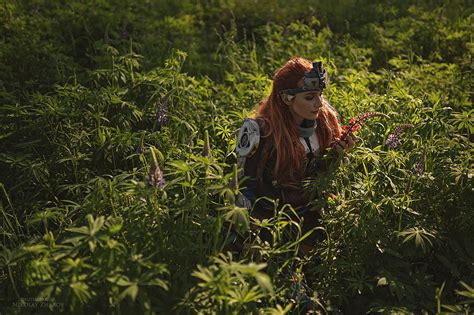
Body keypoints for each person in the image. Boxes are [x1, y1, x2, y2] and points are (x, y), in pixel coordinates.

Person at [233, 57, 356, 254]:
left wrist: (339, 156)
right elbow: (242, 184)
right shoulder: (261, 130)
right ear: (286, 98)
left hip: (311, 211)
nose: (318, 103)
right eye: (309, 97)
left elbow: (323, 177)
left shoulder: (325, 123)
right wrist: (254, 226)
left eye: (320, 95)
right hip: (268, 217)